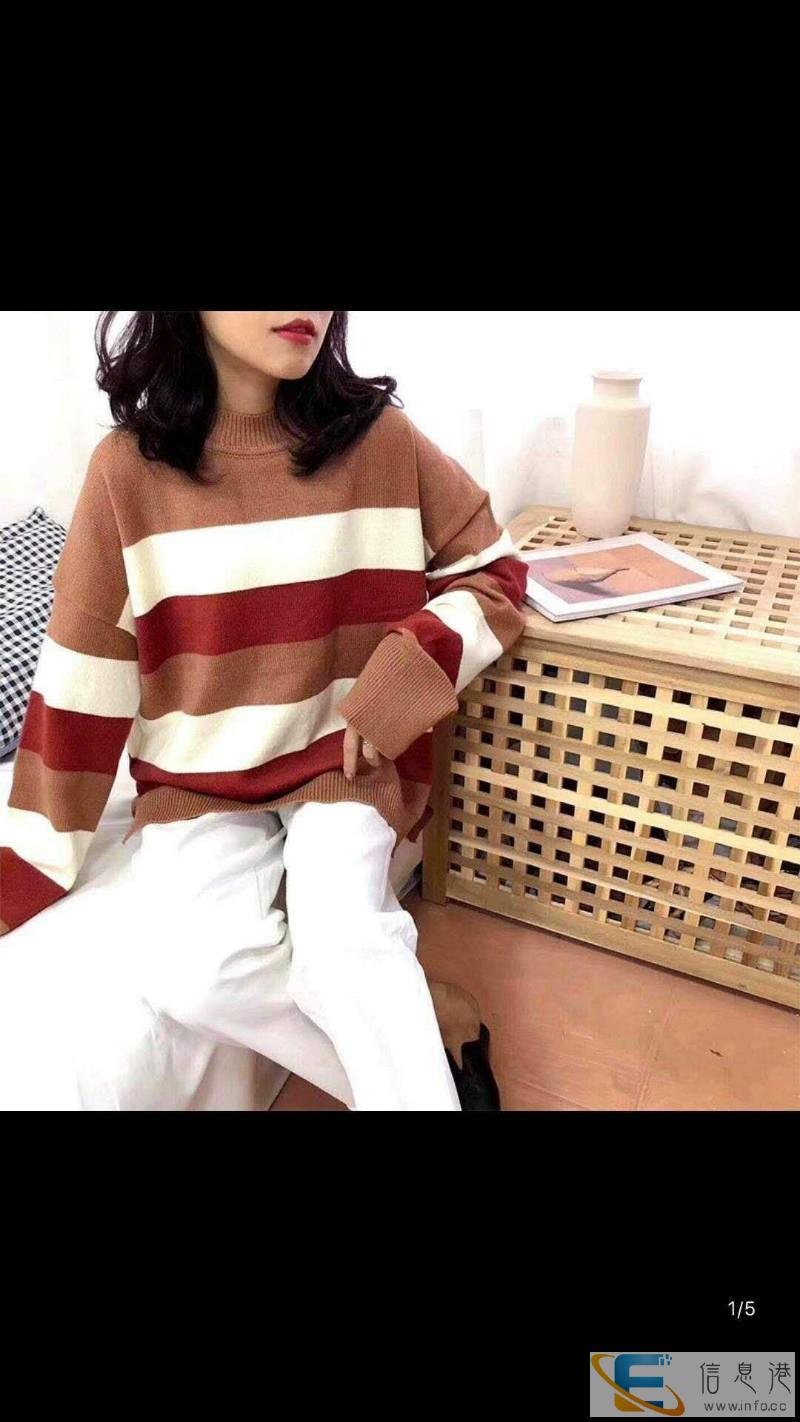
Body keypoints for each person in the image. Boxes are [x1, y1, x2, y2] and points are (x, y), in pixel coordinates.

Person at [0, 311, 530, 1111]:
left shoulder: (382, 442)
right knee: (197, 977)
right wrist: (24, 868)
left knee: (344, 946)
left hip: (343, 759)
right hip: (198, 781)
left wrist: (398, 680)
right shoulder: (126, 473)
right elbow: (82, 678)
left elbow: (495, 574)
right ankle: (432, 1025)